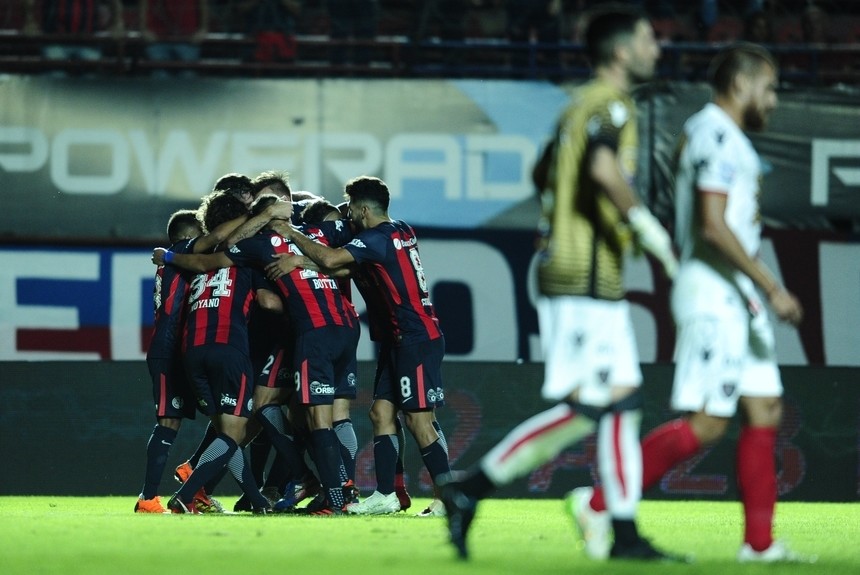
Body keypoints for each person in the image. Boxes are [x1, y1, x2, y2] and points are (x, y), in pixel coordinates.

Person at [433, 6, 680, 561]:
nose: (656, 48)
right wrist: (647, 228)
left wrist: (567, 213)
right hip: (579, 276)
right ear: (620, 52)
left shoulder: (576, 107)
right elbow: (600, 167)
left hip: (589, 274)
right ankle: (471, 488)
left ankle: (623, 531)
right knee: (593, 406)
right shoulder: (610, 103)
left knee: (622, 403)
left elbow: (544, 171)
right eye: (647, 39)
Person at [572, 42, 809, 564]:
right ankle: (597, 501)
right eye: (769, 88)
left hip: (736, 294)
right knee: (708, 420)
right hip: (714, 293)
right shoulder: (717, 134)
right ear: (742, 84)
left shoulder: (716, 134)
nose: (772, 100)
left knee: (764, 408)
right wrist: (772, 285)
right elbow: (712, 224)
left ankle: (760, 545)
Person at [156, 192, 361, 515]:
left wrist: (167, 257)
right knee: (324, 414)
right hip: (347, 326)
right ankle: (326, 489)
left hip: (306, 332)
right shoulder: (317, 234)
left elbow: (208, 261)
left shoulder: (259, 245)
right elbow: (350, 258)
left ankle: (333, 495)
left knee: (301, 417)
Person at [268, 175, 452, 515]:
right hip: (397, 341)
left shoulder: (376, 239)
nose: (347, 214)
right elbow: (344, 267)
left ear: (363, 209)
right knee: (380, 413)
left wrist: (291, 235)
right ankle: (386, 494)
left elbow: (335, 261)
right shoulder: (400, 230)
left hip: (416, 338)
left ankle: (448, 497)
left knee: (419, 421)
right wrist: (302, 262)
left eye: (351, 207)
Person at [152, 191, 281, 514]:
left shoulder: (195, 263)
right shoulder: (246, 258)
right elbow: (266, 302)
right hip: (229, 349)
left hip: (192, 352)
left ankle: (256, 500)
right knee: (235, 432)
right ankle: (186, 494)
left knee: (226, 434)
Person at [22, 0, 124, 73]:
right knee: (56, 74)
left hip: (89, 42)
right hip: (55, 41)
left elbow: (115, 2)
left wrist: (116, 24)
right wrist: (29, 23)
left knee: (90, 77)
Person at [138, 0, 210, 78]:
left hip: (188, 38)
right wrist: (144, 29)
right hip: (158, 38)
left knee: (187, 75)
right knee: (160, 74)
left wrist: (203, 29)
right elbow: (143, 4)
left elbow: (203, 4)